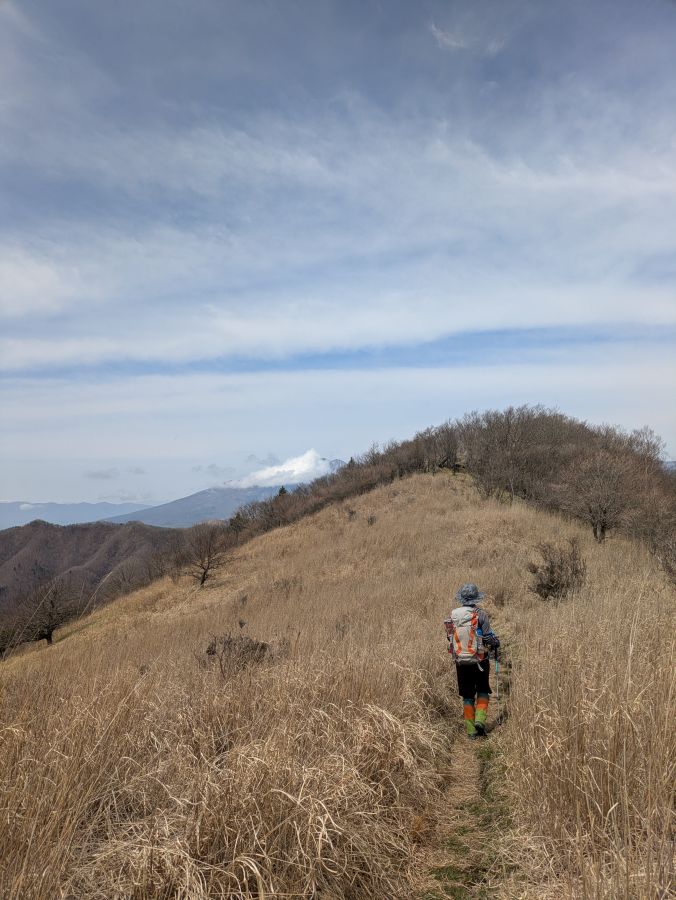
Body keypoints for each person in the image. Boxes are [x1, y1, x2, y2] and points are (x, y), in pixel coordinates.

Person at [444, 583, 500, 739]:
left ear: (461, 599)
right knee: (482, 690)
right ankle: (480, 722)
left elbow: (449, 637)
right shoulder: (480, 614)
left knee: (467, 696)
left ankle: (471, 732)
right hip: (480, 660)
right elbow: (489, 637)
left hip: (461, 661)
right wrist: (495, 643)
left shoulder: (453, 615)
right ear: (476, 598)